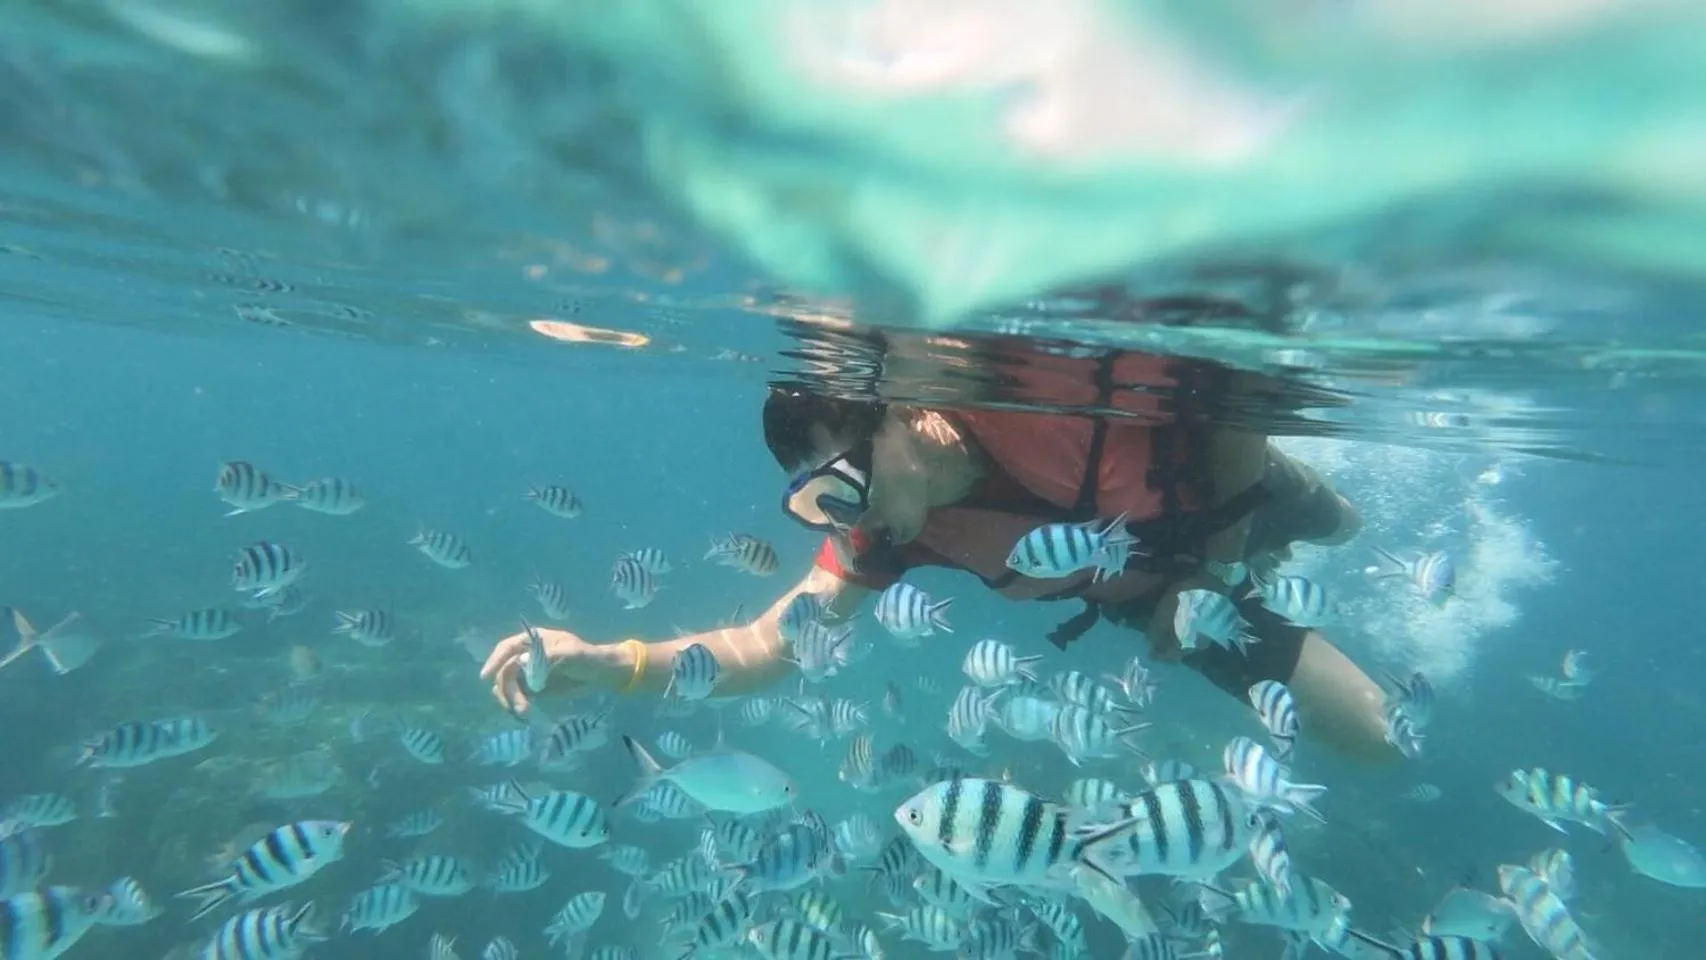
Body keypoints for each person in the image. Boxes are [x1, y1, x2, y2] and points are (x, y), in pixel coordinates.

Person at [482, 352, 1398, 761]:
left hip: (1231, 497)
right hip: (1146, 595)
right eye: (817, 504)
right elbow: (769, 645)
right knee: (1378, 737)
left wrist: (1219, 571)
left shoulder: (1028, 384)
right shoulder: (893, 532)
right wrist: (607, 660)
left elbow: (1237, 392)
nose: (849, 515)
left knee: (1342, 523)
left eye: (843, 481)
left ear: (903, 417)